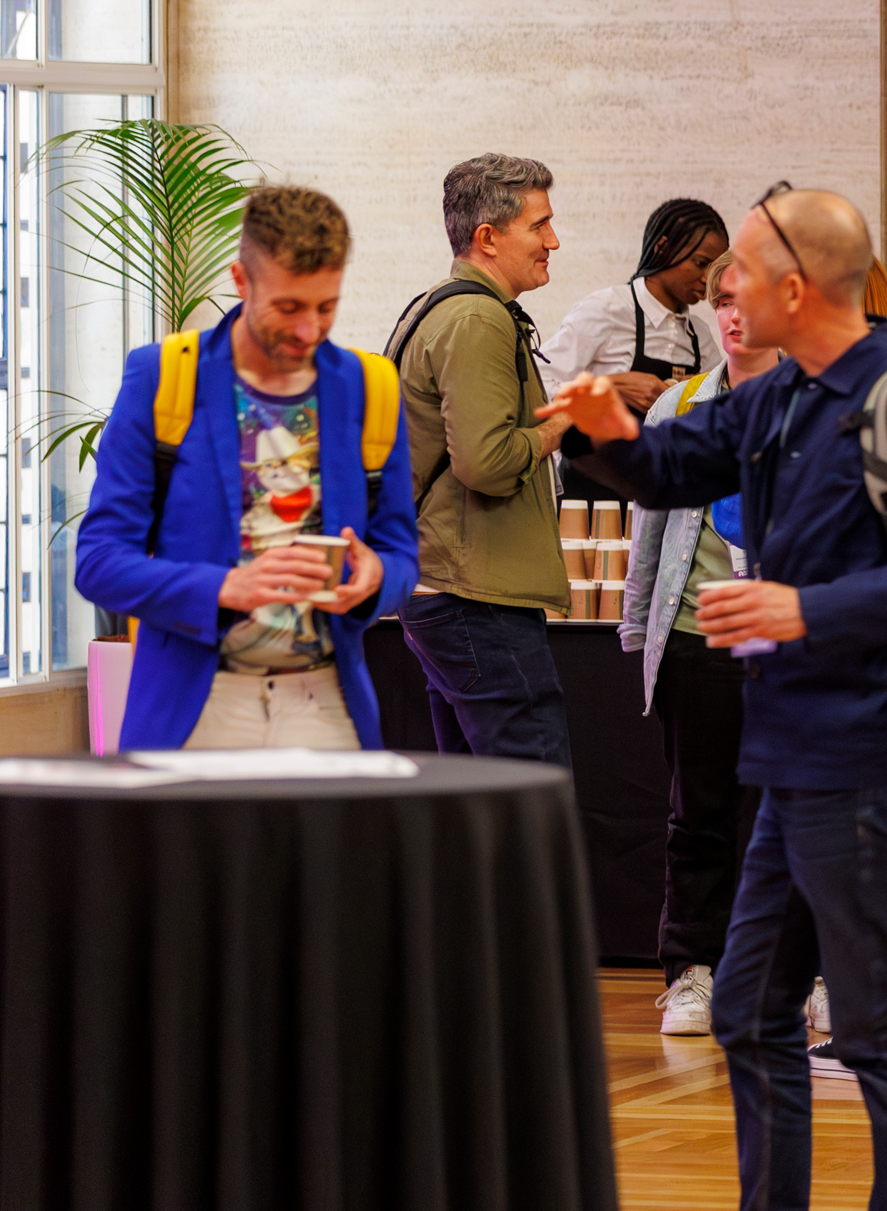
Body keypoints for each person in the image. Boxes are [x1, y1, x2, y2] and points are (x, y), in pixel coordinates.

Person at [548, 185, 887, 1211]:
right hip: (787, 761)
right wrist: (600, 429)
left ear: (797, 288)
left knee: (884, 1029)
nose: (726, 291)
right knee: (751, 1009)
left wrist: (810, 609)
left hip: (871, 762)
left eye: (742, 273)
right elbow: (671, 466)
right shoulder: (774, 391)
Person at [76, 186, 419, 750]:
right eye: (289, 308)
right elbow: (99, 563)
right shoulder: (163, 378)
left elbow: (402, 552)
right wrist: (224, 587)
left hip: (328, 708)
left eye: (326, 307)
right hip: (196, 710)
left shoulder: (369, 387)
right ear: (241, 280)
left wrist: (376, 577)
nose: (309, 330)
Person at [630, 254, 779, 1037]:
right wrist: (636, 629)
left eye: (746, 300)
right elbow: (648, 534)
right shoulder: (680, 406)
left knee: (788, 813)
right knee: (700, 815)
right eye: (720, 301)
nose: (731, 315)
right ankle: (692, 969)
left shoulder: (821, 403)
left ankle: (803, 970)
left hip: (789, 640)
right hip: (695, 633)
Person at [387, 153, 574, 765]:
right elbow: (487, 463)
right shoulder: (476, 318)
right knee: (532, 796)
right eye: (539, 225)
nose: (553, 241)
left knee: (482, 803)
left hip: (448, 588)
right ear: (487, 237)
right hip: (474, 596)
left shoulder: (443, 307)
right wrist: (559, 426)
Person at [539, 198, 728, 415]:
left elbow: (723, 411)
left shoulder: (700, 337)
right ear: (662, 248)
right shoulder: (607, 310)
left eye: (715, 269)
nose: (708, 278)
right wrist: (608, 387)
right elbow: (539, 386)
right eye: (701, 263)